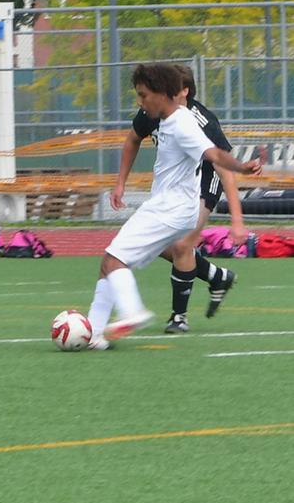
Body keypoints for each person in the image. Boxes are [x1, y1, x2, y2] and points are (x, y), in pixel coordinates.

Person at [86, 63, 262, 351]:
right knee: (109, 264)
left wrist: (241, 167)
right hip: (170, 207)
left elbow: (215, 154)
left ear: (164, 93)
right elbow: (132, 138)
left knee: (114, 260)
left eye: (144, 95)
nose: (141, 102)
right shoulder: (165, 117)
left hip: (172, 208)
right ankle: (93, 334)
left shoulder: (183, 123)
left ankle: (134, 312)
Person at [124, 64, 245, 333]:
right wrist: (119, 184)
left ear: (184, 92)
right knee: (158, 243)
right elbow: (132, 139)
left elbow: (225, 169)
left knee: (181, 246)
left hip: (205, 182)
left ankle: (179, 317)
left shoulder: (201, 121)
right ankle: (217, 276)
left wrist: (237, 220)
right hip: (175, 188)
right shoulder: (154, 111)